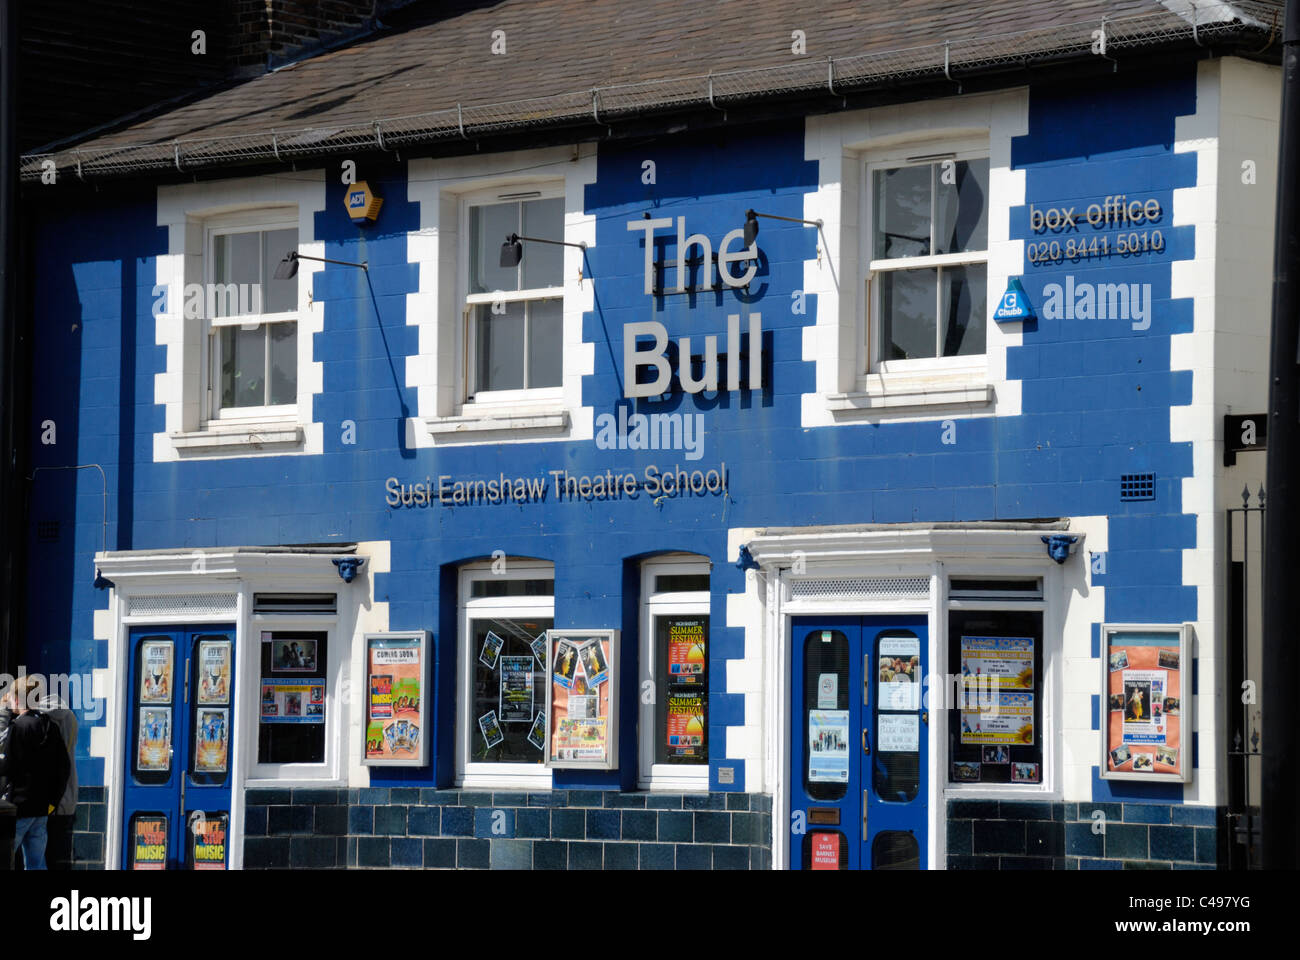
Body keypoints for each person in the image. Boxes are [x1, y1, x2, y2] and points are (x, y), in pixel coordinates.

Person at [0, 676, 72, 870]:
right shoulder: (50, 726)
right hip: (41, 808)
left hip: (18, 807)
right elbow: (63, 767)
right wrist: (52, 803)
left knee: (4, 858)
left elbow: (6, 766)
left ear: (17, 699)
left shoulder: (18, 727)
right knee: (37, 862)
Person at [37, 687, 78, 871]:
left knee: (37, 857)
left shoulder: (43, 722)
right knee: (59, 857)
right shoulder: (70, 718)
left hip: (47, 801)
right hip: (68, 797)